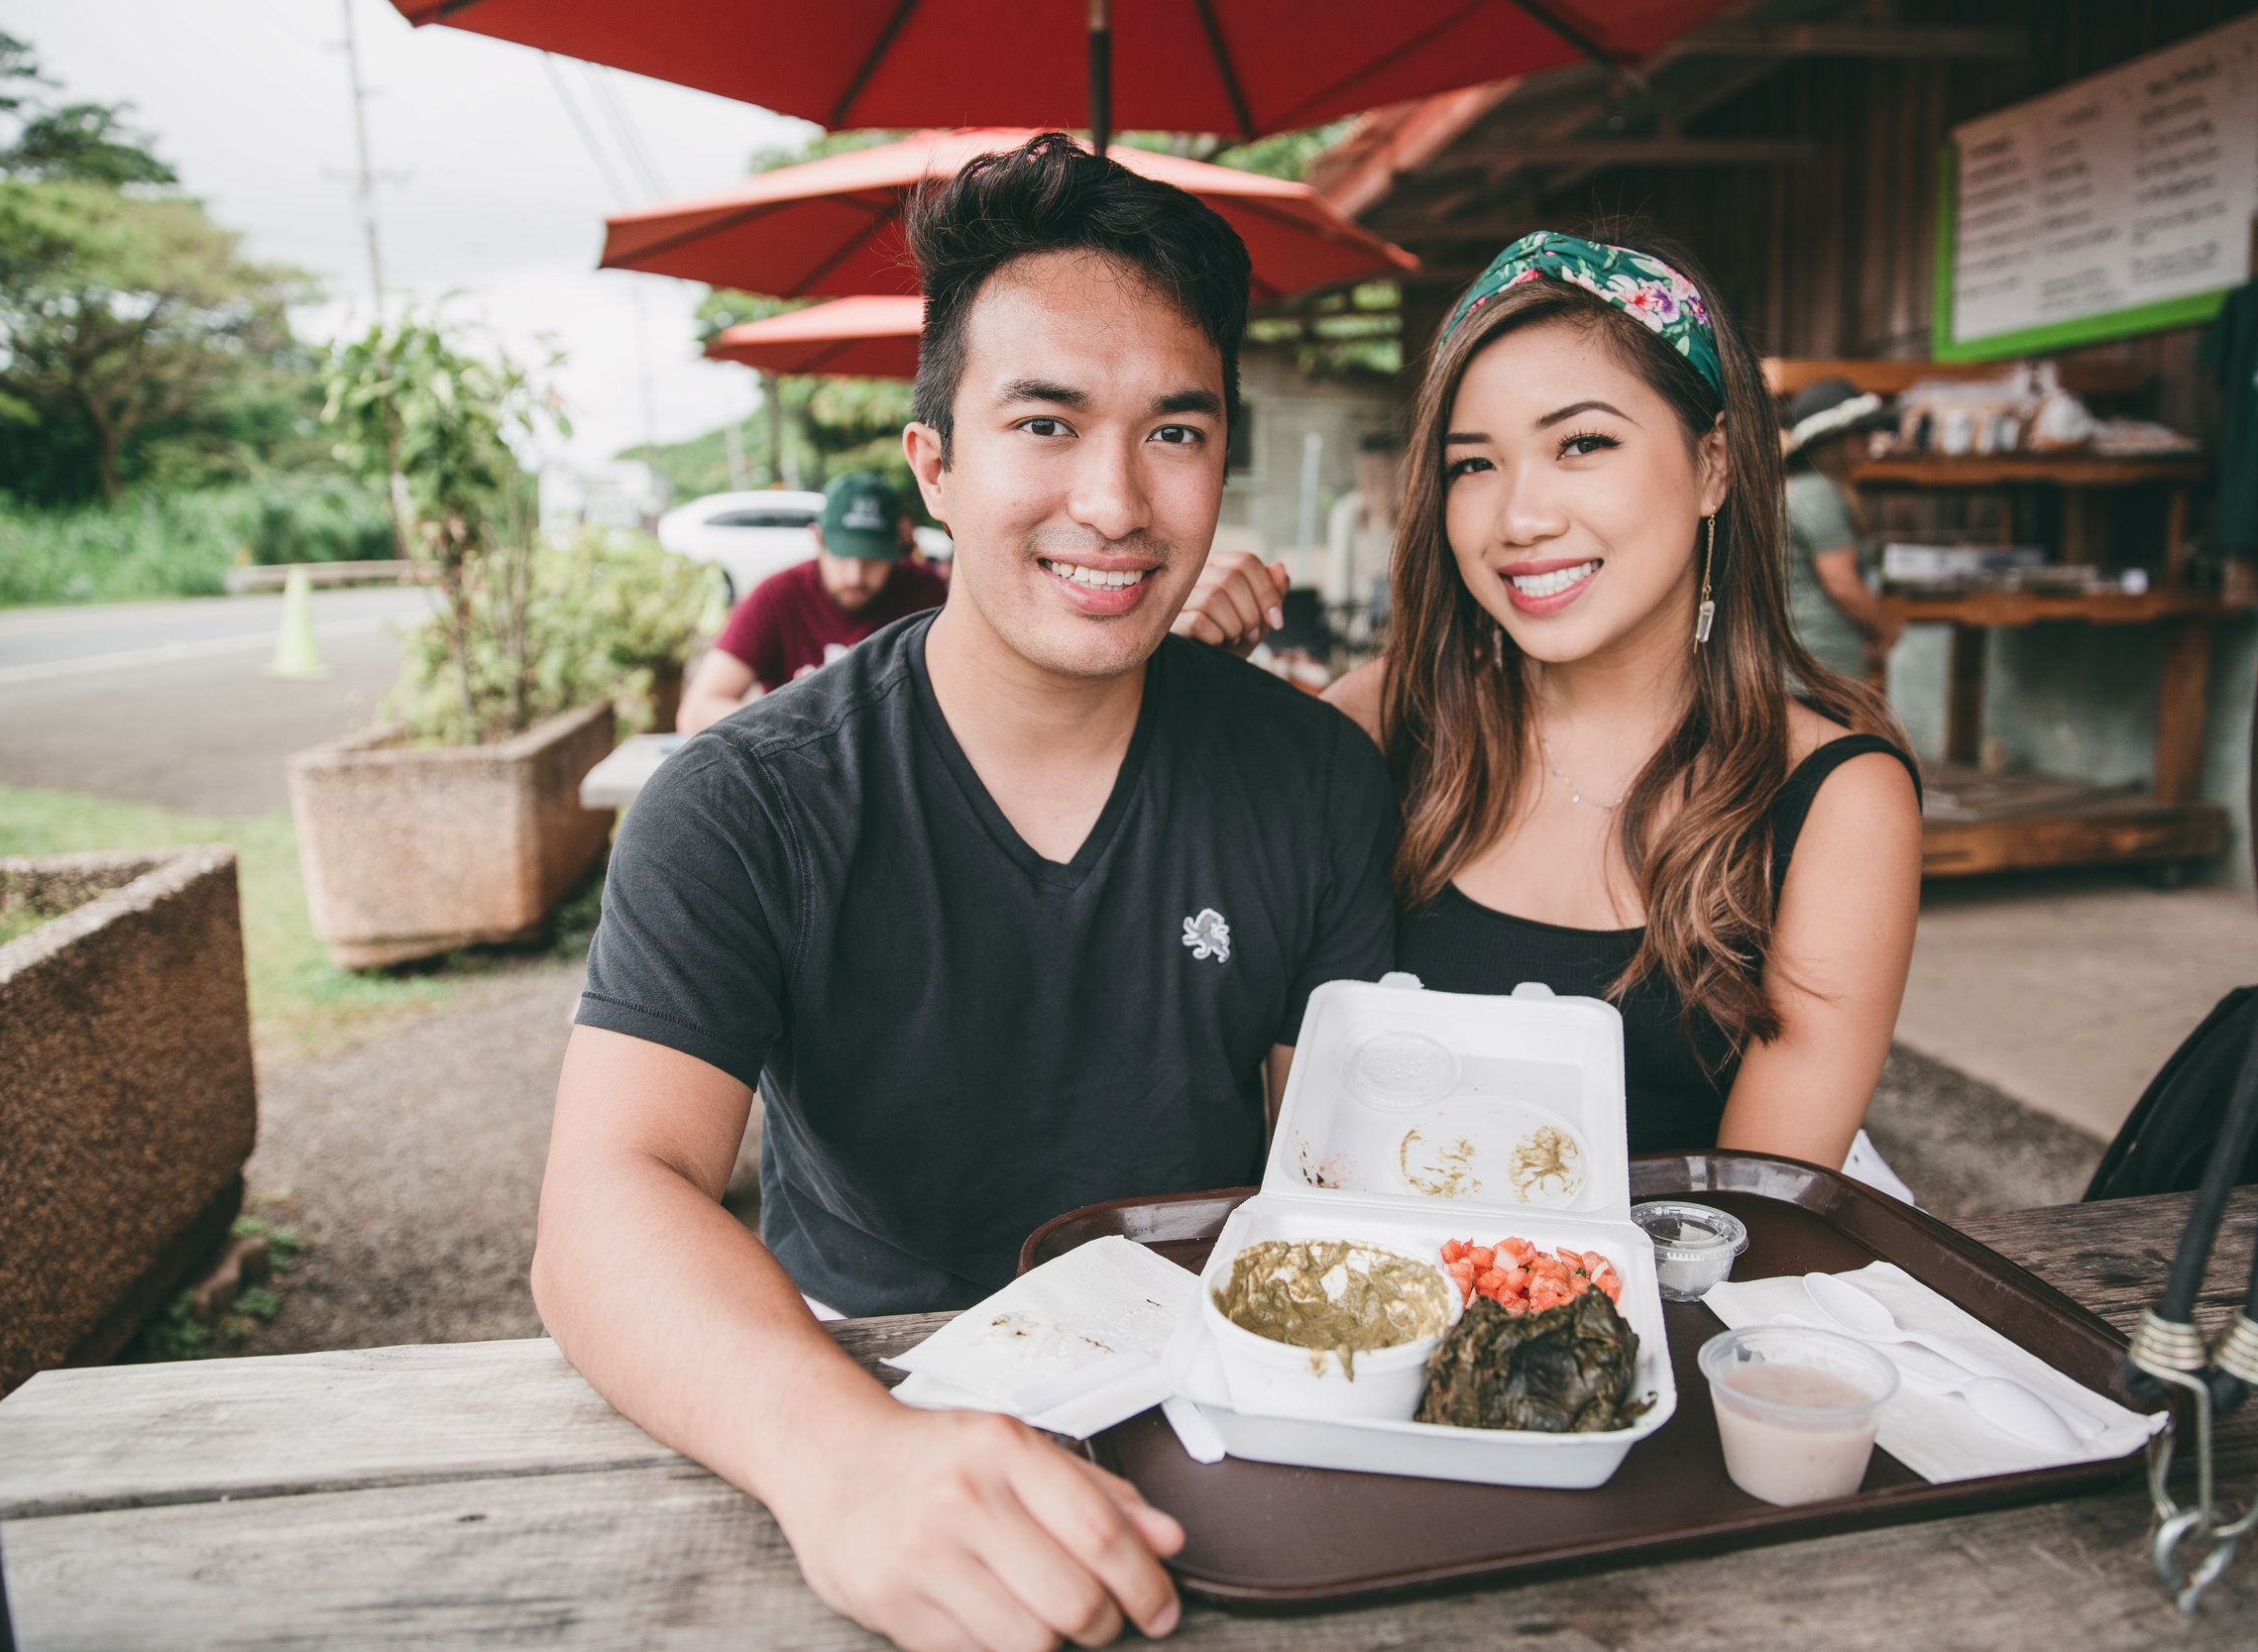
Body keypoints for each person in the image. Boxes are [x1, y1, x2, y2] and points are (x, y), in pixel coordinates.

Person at [536, 133, 1397, 1652]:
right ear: (934, 460)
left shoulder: (1311, 779)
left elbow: (1339, 1176)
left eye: (1175, 433)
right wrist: (839, 1453)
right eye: (1046, 422)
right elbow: (607, 1199)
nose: (1116, 500)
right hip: (843, 1392)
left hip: (1214, 1419)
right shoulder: (745, 803)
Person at [1310, 231, 1923, 1169]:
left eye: (1582, 443)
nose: (1521, 517)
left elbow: (1763, 1210)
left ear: (1715, 463)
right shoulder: (1383, 723)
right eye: (1473, 463)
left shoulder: (1835, 800)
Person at [676, 472, 951, 731]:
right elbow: (696, 713)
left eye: (872, 558)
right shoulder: (777, 597)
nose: (855, 576)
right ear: (818, 539)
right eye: (842, 555)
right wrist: (793, 717)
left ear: (897, 547)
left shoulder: (925, 592)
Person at [1778, 377, 1902, 681]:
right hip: (1819, 663)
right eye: (1861, 431)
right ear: (1836, 440)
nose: (1870, 438)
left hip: (1805, 662)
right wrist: (1889, 629)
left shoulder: (1801, 488)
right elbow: (1843, 585)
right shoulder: (1817, 492)